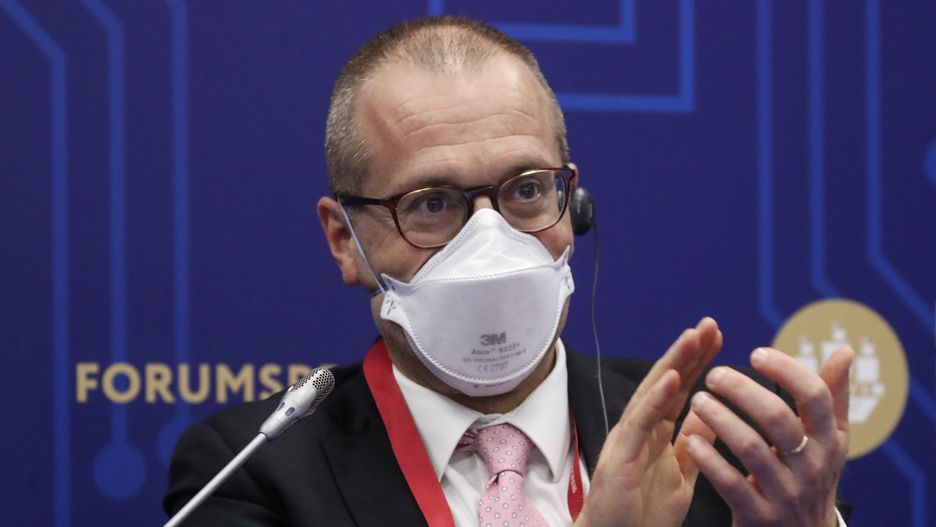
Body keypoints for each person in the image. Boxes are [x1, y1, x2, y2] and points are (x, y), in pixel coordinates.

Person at [165, 16, 852, 527]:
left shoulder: (719, 441)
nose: (490, 244)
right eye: (432, 203)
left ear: (572, 204)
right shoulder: (250, 472)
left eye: (526, 190)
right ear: (345, 239)